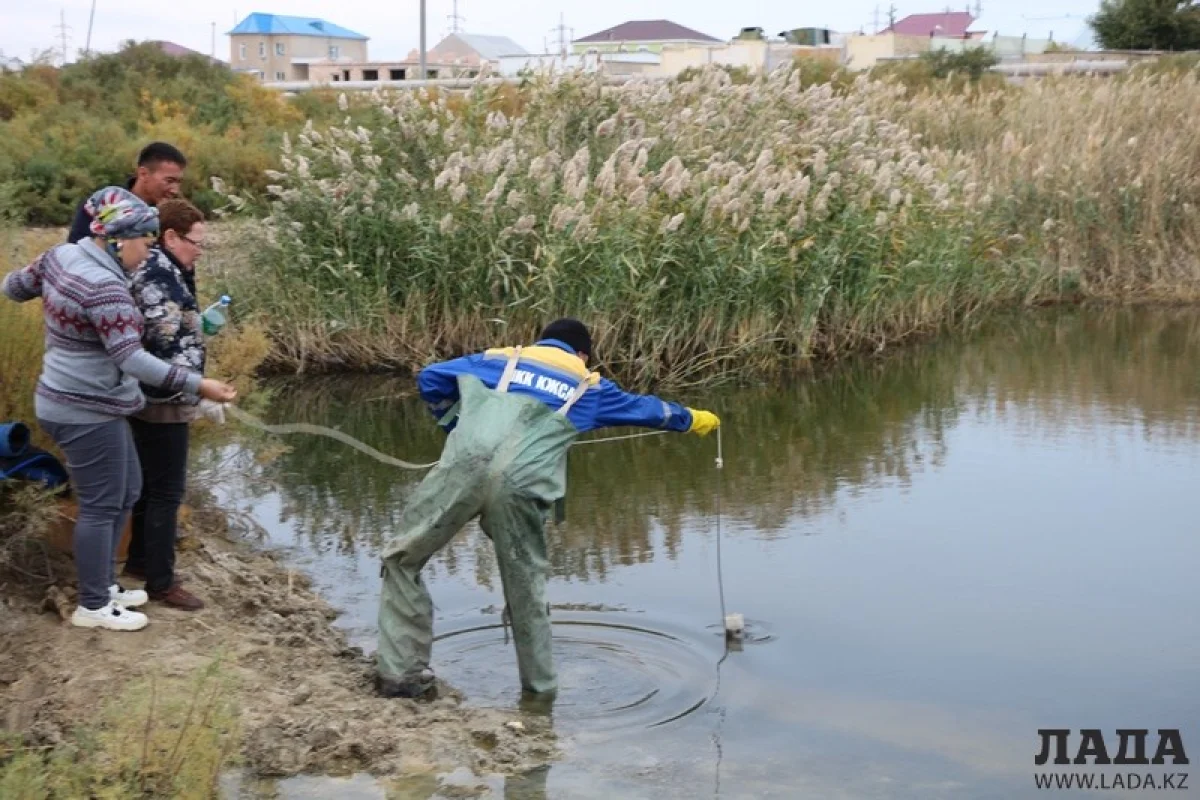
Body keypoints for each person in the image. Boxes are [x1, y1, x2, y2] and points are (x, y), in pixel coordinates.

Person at [375, 319, 721, 699]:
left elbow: (430, 378)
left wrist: (454, 424)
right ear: (583, 355)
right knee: (526, 592)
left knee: (402, 559)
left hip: (462, 470)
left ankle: (401, 676)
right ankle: (539, 698)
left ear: (542, 342)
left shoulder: (499, 361)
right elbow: (652, 411)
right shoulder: (590, 386)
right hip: (522, 489)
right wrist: (694, 420)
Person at [2, 186, 237, 632]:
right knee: (100, 502)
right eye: (144, 242)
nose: (147, 252)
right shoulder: (107, 287)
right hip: (83, 407)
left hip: (73, 397)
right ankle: (93, 605)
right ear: (116, 240)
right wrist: (198, 384)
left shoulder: (61, 256)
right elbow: (132, 359)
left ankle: (104, 583)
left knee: (127, 490)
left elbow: (13, 287)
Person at [124, 198, 218, 611]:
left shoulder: (170, 269)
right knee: (166, 490)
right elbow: (162, 341)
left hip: (158, 391)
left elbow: (173, 328)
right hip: (164, 396)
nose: (200, 250)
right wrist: (201, 387)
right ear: (171, 236)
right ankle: (161, 582)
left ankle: (141, 563)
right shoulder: (158, 275)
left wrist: (199, 321)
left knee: (148, 484)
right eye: (197, 242)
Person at [67, 142, 187, 245]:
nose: (175, 190)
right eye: (169, 181)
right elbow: (75, 250)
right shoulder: (104, 203)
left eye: (178, 182)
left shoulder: (174, 215)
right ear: (143, 174)